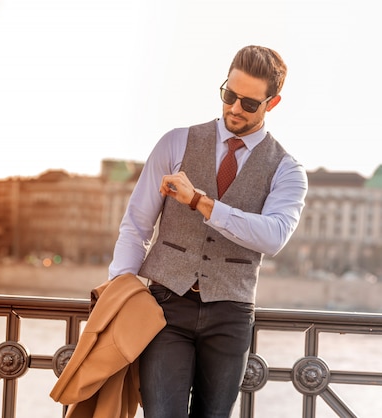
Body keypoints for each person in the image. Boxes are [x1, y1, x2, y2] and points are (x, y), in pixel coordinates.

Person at [108, 45, 308, 418]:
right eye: (229, 95)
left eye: (249, 103)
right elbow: (137, 224)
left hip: (230, 314)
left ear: (272, 103)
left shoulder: (287, 170)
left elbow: (273, 236)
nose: (234, 108)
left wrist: (202, 202)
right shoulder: (175, 143)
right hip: (165, 306)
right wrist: (119, 288)